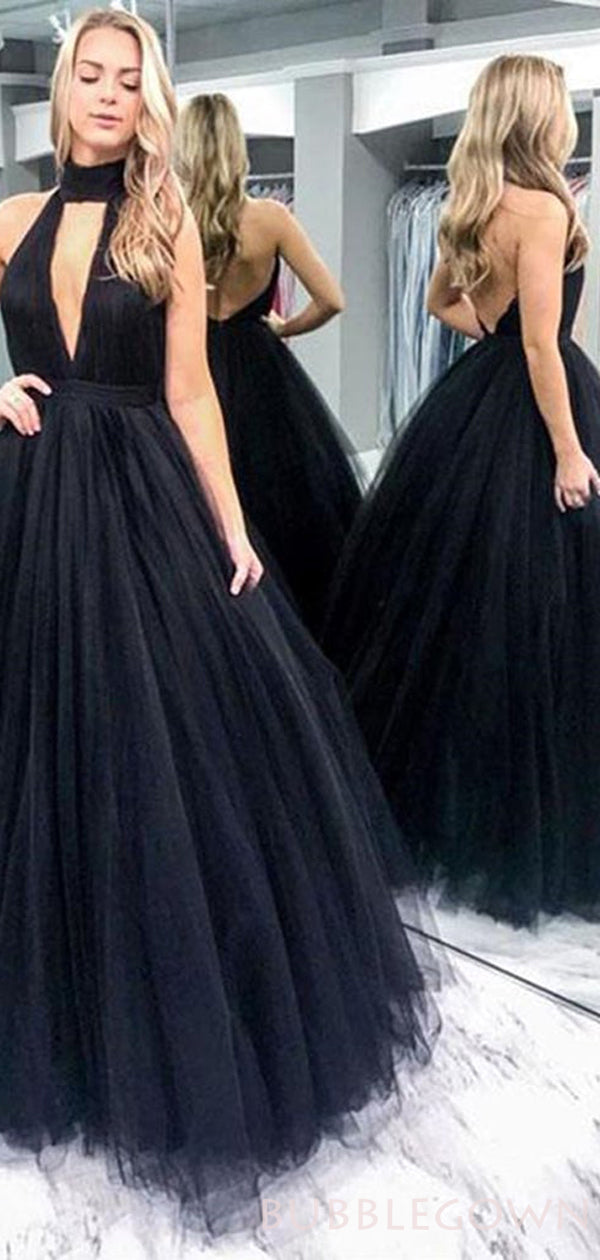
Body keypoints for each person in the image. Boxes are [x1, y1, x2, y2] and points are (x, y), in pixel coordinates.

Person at [0, 6, 440, 1241]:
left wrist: (234, 527)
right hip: (29, 494)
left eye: (125, 77)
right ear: (61, 91)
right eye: (88, 74)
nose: (105, 92)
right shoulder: (12, 219)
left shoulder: (168, 226)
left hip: (140, 495)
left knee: (148, 752)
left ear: (148, 98)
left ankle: (144, 1016)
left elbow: (193, 392)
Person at [323, 54, 600, 929]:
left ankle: (441, 803)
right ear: (541, 115)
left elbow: (442, 302)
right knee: (545, 612)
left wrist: (491, 331)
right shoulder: (547, 208)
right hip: (535, 412)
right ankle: (529, 820)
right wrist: (568, 451)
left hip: (474, 405)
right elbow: (543, 345)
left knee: (465, 609)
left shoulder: (473, 206)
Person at [174, 94, 363, 634]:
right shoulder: (270, 219)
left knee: (196, 502)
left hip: (190, 368)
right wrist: (283, 328)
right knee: (283, 508)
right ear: (237, 148)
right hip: (262, 372)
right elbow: (332, 299)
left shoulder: (168, 222)